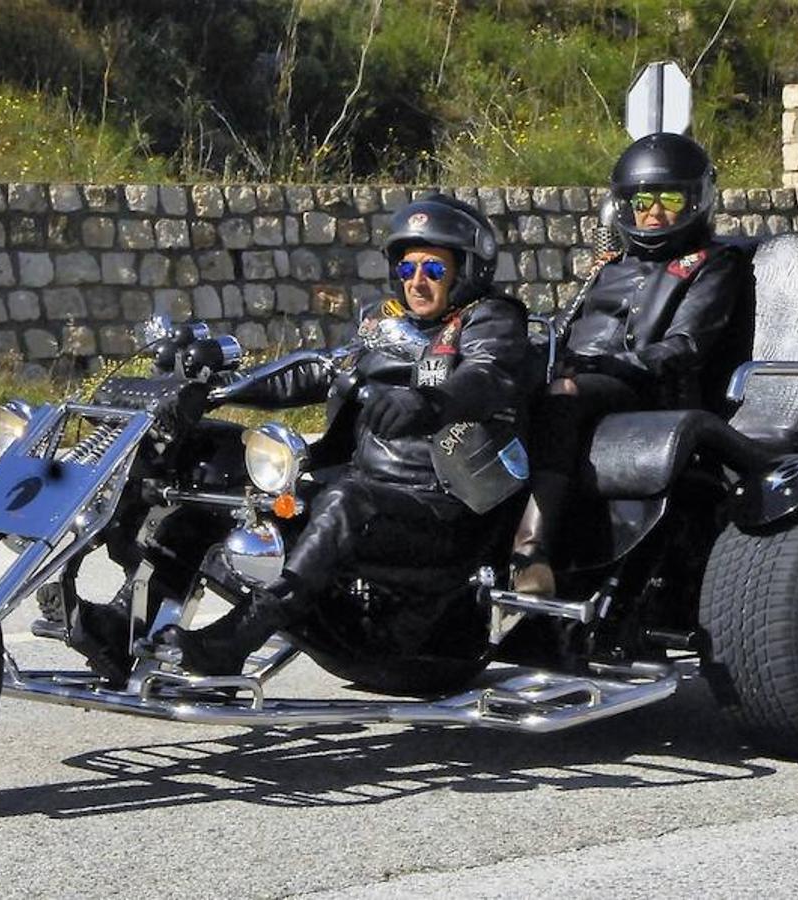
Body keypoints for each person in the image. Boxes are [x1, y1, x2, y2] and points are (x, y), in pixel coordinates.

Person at [151, 194, 533, 676]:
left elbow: (487, 375)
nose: (416, 281)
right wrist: (218, 391)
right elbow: (318, 373)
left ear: (467, 270)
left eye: (433, 270)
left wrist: (430, 403)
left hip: (442, 513)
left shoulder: (491, 318)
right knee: (217, 475)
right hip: (371, 496)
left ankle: (239, 638)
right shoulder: (385, 321)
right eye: (407, 268)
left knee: (347, 499)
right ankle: (134, 621)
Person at [510, 132, 749, 596]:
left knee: (563, 396)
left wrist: (612, 365)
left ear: (695, 200)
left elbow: (685, 346)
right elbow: (562, 332)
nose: (654, 213)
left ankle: (531, 552)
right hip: (584, 376)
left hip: (651, 393)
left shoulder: (714, 263)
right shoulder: (611, 265)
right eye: (642, 201)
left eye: (670, 199)